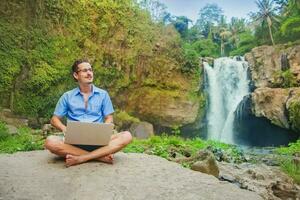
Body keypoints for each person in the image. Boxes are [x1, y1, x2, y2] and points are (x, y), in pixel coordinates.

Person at [44, 59, 132, 167]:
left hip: (99, 140)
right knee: (50, 142)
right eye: (85, 70)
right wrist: (64, 129)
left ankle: (82, 158)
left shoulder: (103, 94)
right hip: (74, 141)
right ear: (76, 75)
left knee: (127, 136)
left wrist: (105, 129)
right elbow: (54, 120)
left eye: (90, 70)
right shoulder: (67, 96)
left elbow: (109, 118)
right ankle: (99, 156)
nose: (89, 73)